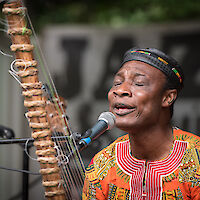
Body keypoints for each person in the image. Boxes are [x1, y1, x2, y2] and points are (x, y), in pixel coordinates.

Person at [82, 47, 200, 199]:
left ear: (167, 98)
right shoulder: (102, 164)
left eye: (139, 83)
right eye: (117, 82)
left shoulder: (196, 159)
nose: (120, 90)